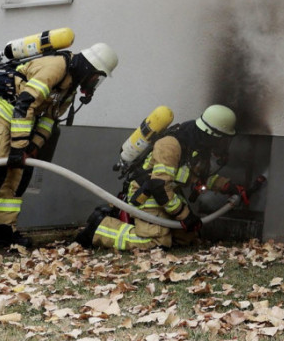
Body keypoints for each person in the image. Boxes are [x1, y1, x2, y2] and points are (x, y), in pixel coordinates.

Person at [0, 42, 119, 255]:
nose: (95, 82)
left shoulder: (69, 89)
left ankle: (1, 232)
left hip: (20, 117)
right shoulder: (56, 67)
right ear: (89, 67)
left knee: (19, 176)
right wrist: (18, 147)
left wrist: (33, 146)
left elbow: (49, 119)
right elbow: (25, 103)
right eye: (97, 77)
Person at [75, 104, 253, 251]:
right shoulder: (171, 144)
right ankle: (100, 228)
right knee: (154, 243)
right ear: (211, 135)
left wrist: (227, 186)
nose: (223, 144)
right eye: (222, 139)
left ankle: (154, 228)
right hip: (148, 193)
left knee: (186, 238)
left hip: (167, 193)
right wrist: (184, 214)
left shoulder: (196, 145)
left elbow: (198, 177)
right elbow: (159, 185)